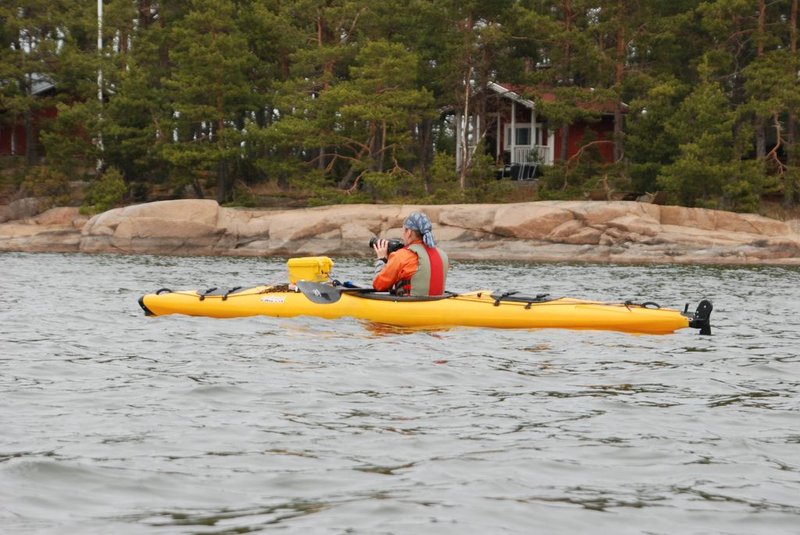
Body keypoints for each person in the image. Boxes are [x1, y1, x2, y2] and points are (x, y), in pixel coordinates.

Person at [372, 211, 449, 296]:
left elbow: (378, 285)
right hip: (438, 304)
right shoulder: (442, 255)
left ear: (408, 232)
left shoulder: (401, 256)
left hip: (410, 306)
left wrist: (382, 259)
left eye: (403, 231)